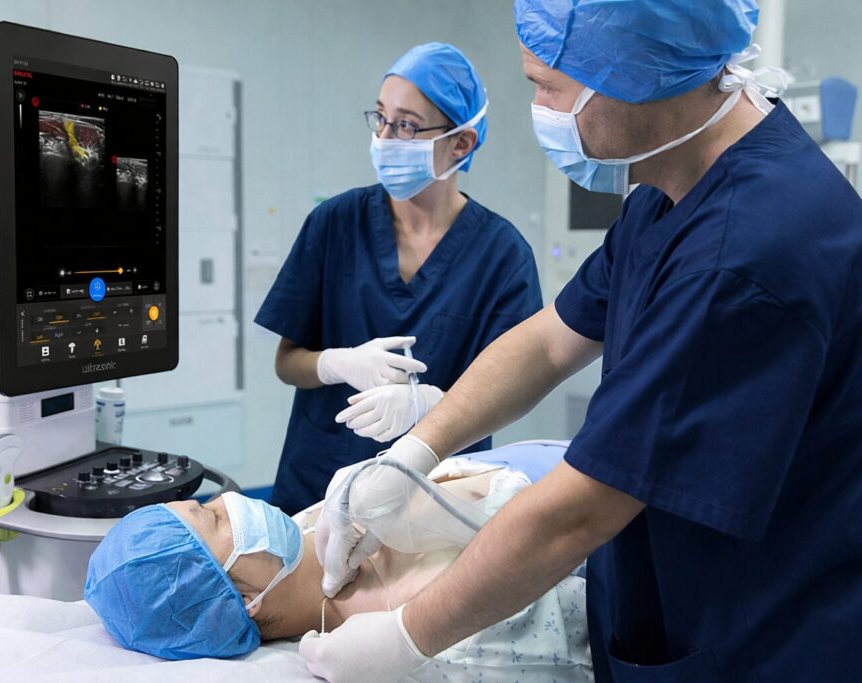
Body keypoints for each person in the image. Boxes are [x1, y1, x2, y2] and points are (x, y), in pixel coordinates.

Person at [301, 1, 862, 682]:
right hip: (679, 603)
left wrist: (406, 638)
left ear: (638, 74)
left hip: (766, 635)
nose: (539, 109)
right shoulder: (670, 189)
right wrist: (414, 452)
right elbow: (548, 341)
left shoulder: (743, 251)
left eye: (548, 86)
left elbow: (583, 506)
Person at [255, 42, 542, 516]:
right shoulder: (335, 223)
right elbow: (287, 363)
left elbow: (515, 389)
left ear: (461, 143)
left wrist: (434, 404)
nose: (385, 137)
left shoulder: (502, 255)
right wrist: (335, 364)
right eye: (381, 118)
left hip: (434, 498)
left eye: (406, 125)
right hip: (316, 488)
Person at [84, 443, 593, 681]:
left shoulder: (321, 522)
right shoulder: (404, 639)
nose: (231, 502)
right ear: (245, 600)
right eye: (213, 518)